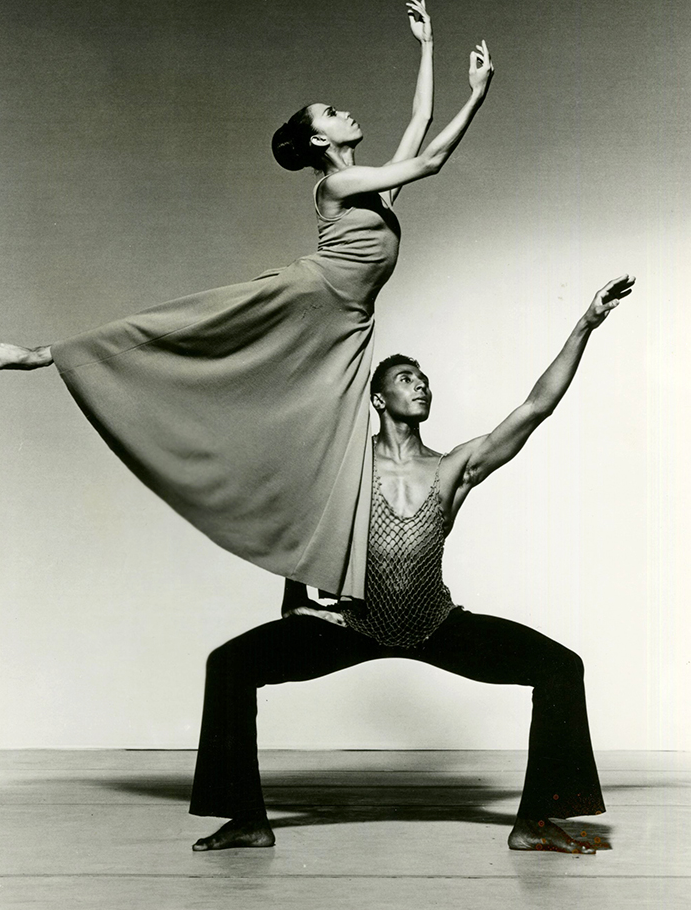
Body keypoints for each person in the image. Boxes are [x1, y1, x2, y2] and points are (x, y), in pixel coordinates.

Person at [0, 0, 494, 600]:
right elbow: (429, 161)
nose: (345, 111)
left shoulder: (371, 194)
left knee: (320, 441)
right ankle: (45, 354)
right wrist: (477, 96)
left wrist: (427, 46)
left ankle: (304, 587)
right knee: (186, 327)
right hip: (310, 298)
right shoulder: (339, 183)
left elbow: (420, 128)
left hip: (348, 324)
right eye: (331, 111)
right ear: (320, 140)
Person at [189, 274, 634, 854]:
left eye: (423, 379)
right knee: (229, 666)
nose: (420, 386)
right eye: (405, 379)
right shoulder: (346, 466)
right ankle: (246, 819)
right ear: (379, 399)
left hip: (434, 625)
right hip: (354, 626)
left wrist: (584, 325)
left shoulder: (455, 468)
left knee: (559, 667)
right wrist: (296, 601)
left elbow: (535, 407)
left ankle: (535, 822)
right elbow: (298, 519)